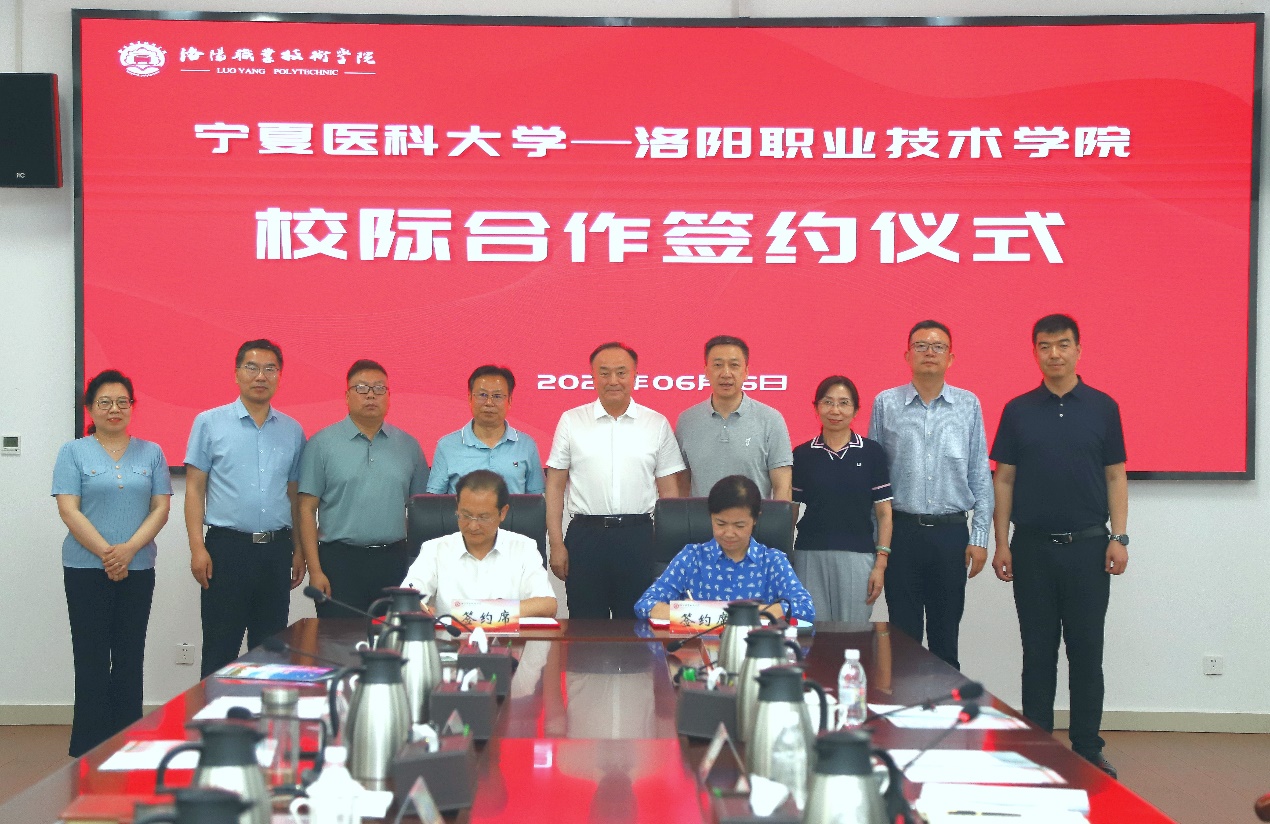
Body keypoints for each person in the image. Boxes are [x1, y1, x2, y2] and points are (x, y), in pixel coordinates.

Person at [990, 313, 1128, 779]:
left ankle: (1087, 748)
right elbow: (1004, 479)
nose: (1054, 354)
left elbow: (1116, 476)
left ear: (1078, 350)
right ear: (1035, 352)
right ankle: (1039, 748)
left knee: (1087, 652)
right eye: (1045, 346)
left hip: (1089, 548)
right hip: (1031, 549)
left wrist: (1119, 536)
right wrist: (1002, 543)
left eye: (1063, 345)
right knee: (1038, 653)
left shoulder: (1104, 407)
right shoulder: (1018, 410)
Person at [53, 370, 172, 756]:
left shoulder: (152, 452)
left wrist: (129, 550)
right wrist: (109, 552)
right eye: (105, 402)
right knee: (90, 658)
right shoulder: (72, 452)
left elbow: (161, 508)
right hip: (84, 569)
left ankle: (127, 744)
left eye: (122, 402)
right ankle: (87, 748)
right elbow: (69, 510)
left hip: (138, 569)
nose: (114, 409)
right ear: (90, 408)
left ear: (132, 407)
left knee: (129, 656)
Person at [869, 320, 994, 670]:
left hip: (950, 535)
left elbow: (979, 473)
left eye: (938, 346)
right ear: (907, 355)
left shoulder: (968, 404)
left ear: (950, 358)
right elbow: (874, 480)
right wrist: (876, 543)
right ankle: (903, 706)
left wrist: (980, 537)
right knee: (903, 638)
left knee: (945, 637)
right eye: (921, 345)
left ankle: (944, 706)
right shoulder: (886, 403)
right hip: (901, 534)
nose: (929, 352)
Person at [185, 339, 306, 678]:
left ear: (279, 376)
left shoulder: (292, 431)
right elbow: (194, 489)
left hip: (276, 551)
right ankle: (213, 713)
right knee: (220, 648)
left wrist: (298, 549)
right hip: (227, 549)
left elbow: (294, 494)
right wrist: (197, 547)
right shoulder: (209, 423)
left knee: (270, 650)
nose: (260, 376)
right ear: (237, 373)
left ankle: (264, 713)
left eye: (270, 369)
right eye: (252, 367)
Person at [545, 342, 685, 618]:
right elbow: (555, 486)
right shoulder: (571, 421)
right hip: (585, 537)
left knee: (637, 625)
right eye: (604, 373)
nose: (613, 381)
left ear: (634, 375)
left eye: (621, 372)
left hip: (639, 537)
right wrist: (557, 544)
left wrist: (665, 549)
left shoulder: (656, 423)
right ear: (593, 376)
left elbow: (670, 493)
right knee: (586, 628)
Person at [298, 359, 429, 617]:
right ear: (347, 396)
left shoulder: (409, 446)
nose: (370, 395)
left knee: (392, 638)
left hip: (394, 562)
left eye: (379, 388)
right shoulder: (322, 444)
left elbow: (421, 511)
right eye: (361, 388)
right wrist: (315, 570)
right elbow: (306, 509)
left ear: (389, 397)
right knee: (338, 639)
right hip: (339, 562)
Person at [635, 475, 814, 622]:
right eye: (720, 523)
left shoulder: (772, 561)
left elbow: (806, 608)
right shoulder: (691, 558)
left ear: (755, 519)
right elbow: (645, 605)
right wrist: (695, 612)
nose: (729, 533)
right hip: (696, 650)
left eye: (739, 525)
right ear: (710, 516)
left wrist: (747, 613)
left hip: (753, 650)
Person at [791, 376, 893, 623]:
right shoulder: (802, 454)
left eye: (844, 403)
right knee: (811, 632)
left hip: (858, 556)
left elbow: (884, 513)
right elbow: (790, 512)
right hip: (809, 555)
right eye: (828, 402)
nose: (835, 410)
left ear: (856, 410)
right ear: (816, 407)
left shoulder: (872, 453)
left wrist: (880, 564)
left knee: (853, 635)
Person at [402, 470, 556, 618]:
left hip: (507, 637)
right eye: (466, 515)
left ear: (503, 513)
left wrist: (480, 613)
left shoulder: (523, 548)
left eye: (483, 517)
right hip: (450, 636)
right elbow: (407, 599)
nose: (473, 526)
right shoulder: (434, 550)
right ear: (457, 507)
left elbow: (547, 605)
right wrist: (415, 607)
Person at [675, 335, 793, 499]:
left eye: (734, 365)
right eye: (718, 365)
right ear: (706, 371)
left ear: (746, 372)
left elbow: (783, 487)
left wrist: (778, 516)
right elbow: (681, 484)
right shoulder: (687, 421)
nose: (726, 373)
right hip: (700, 516)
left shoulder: (771, 420)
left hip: (755, 516)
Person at [428, 365, 544, 494]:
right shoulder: (447, 445)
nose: (489, 402)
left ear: (510, 401)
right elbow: (435, 500)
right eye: (482, 395)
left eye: (497, 396)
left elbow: (536, 498)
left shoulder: (526, 445)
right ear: (470, 398)